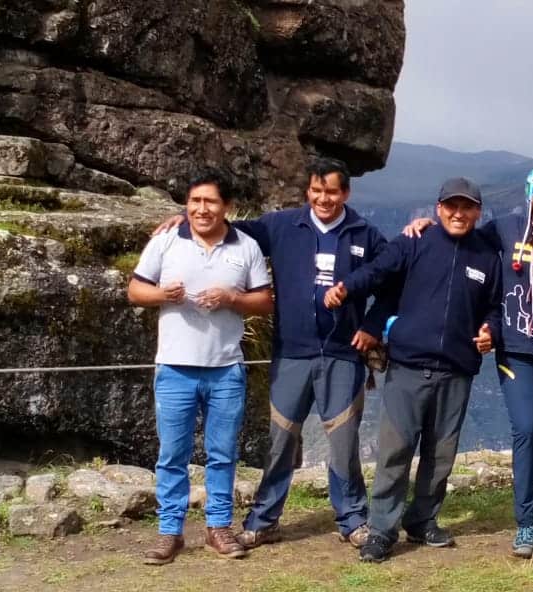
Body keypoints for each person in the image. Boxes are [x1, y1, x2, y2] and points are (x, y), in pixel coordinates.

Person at [152, 157, 396, 550]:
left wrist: (371, 326)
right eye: (316, 191)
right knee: (281, 441)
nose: (323, 199)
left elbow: (391, 279)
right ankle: (264, 521)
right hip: (292, 354)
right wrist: (182, 219)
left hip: (342, 356)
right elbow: (228, 229)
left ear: (345, 193)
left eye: (332, 191)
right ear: (307, 191)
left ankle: (352, 521)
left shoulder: (365, 234)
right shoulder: (282, 225)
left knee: (344, 443)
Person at [402, 163, 533, 558]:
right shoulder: (505, 229)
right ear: (529, 196)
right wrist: (425, 226)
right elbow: (463, 237)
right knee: (526, 428)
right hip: (515, 349)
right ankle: (526, 524)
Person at [324, 177, 503, 563]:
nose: (459, 213)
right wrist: (346, 288)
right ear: (437, 209)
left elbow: (495, 306)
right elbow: (377, 272)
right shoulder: (415, 241)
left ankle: (422, 520)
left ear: (477, 212)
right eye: (451, 206)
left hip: (456, 370)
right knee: (395, 451)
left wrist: (492, 330)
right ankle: (382, 530)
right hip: (407, 366)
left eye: (467, 207)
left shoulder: (487, 257)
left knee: (441, 455)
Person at [129, 169, 273, 565]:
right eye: (195, 202)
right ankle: (169, 532)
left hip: (226, 367)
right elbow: (135, 291)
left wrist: (231, 298)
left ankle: (219, 528)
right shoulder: (165, 242)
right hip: (174, 367)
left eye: (210, 202)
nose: (201, 209)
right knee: (171, 454)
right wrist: (162, 294)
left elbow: (264, 300)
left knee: (222, 452)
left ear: (226, 206)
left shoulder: (246, 247)